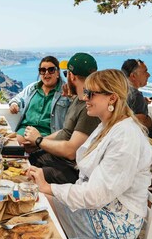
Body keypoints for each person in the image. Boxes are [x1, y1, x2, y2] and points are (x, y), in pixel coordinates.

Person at [27, 69, 152, 239]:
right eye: (86, 92)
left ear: (112, 98)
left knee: (37, 223)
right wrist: (48, 189)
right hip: (101, 207)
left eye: (90, 94)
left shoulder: (125, 137)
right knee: (37, 203)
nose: (85, 98)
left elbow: (97, 195)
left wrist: (49, 187)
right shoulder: (107, 125)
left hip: (114, 224)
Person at [23, 53, 100, 184]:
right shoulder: (78, 99)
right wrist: (36, 144)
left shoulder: (89, 109)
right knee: (20, 161)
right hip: (57, 158)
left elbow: (71, 152)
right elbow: (65, 131)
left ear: (71, 76)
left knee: (26, 175)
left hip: (69, 168)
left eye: (66, 74)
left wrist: (39, 140)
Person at [9, 56, 70, 148]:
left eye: (51, 70)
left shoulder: (66, 92)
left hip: (48, 139)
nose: (46, 73)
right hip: (24, 132)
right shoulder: (32, 88)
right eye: (42, 70)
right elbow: (18, 98)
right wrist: (14, 104)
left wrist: (40, 141)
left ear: (58, 73)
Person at [121, 59, 152, 137]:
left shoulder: (122, 90)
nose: (148, 75)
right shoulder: (136, 95)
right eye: (145, 71)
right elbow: (141, 122)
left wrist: (143, 102)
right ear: (133, 76)